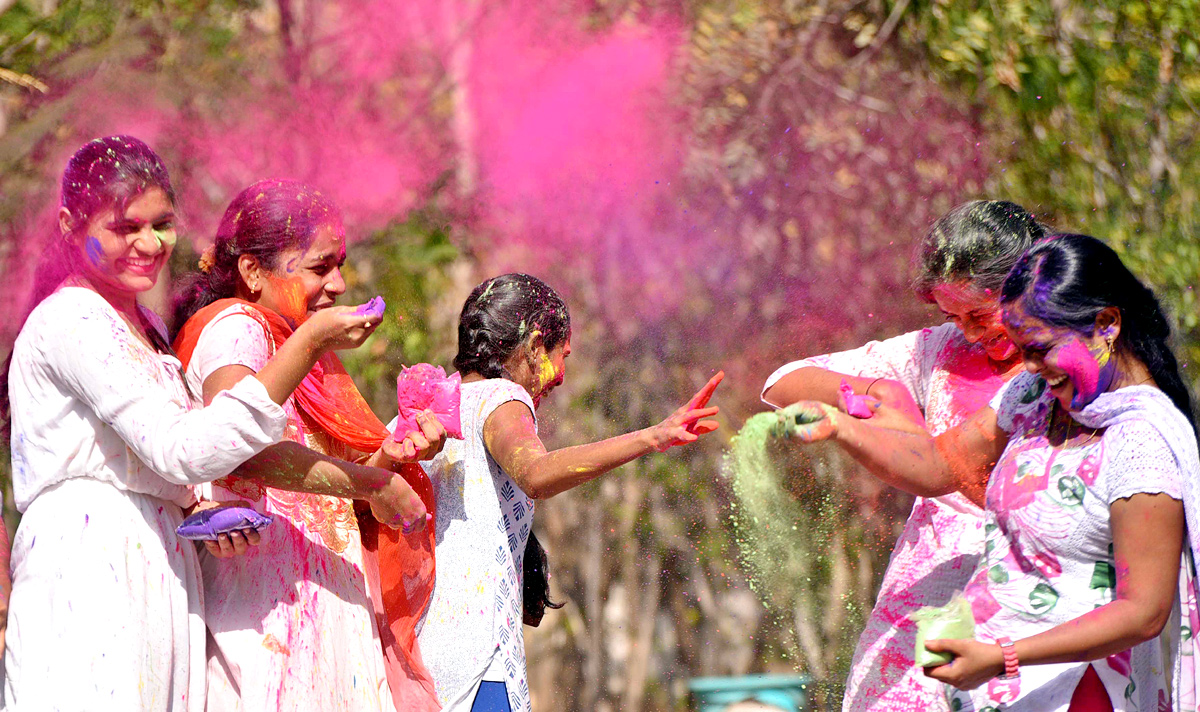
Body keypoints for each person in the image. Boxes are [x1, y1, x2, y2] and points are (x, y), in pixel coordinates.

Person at [1, 136, 382, 711]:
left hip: (160, 574)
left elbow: (173, 466)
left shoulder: (149, 328)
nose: (149, 243)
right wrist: (307, 342)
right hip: (86, 569)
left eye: (162, 224)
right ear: (68, 226)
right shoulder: (71, 320)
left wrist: (202, 512)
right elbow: (182, 449)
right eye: (126, 227)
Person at [785, 234, 1200, 711]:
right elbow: (944, 466)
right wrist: (841, 429)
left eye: (1041, 348)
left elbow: (1142, 613)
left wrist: (1002, 656)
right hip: (1003, 688)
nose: (1027, 366)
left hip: (1080, 691)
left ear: (1106, 324)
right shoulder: (1035, 396)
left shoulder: (1141, 443)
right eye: (1022, 348)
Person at [761, 200, 1046, 710]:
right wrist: (878, 393)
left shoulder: (1068, 364)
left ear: (1030, 283)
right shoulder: (938, 351)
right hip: (930, 592)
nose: (971, 334)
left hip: (1036, 584)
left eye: (980, 315)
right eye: (953, 317)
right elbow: (782, 382)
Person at [172, 179, 443, 712]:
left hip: (312, 617)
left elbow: (322, 495)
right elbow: (240, 446)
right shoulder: (238, 325)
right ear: (253, 272)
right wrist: (374, 481)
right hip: (267, 624)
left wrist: (390, 457)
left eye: (340, 263)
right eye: (321, 267)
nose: (340, 284)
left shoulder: (298, 348)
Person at [416, 273, 722, 712]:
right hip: (477, 663)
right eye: (563, 355)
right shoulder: (502, 399)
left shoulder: (429, 406)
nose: (560, 375)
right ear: (536, 344)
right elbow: (537, 473)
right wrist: (653, 436)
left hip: (418, 659)